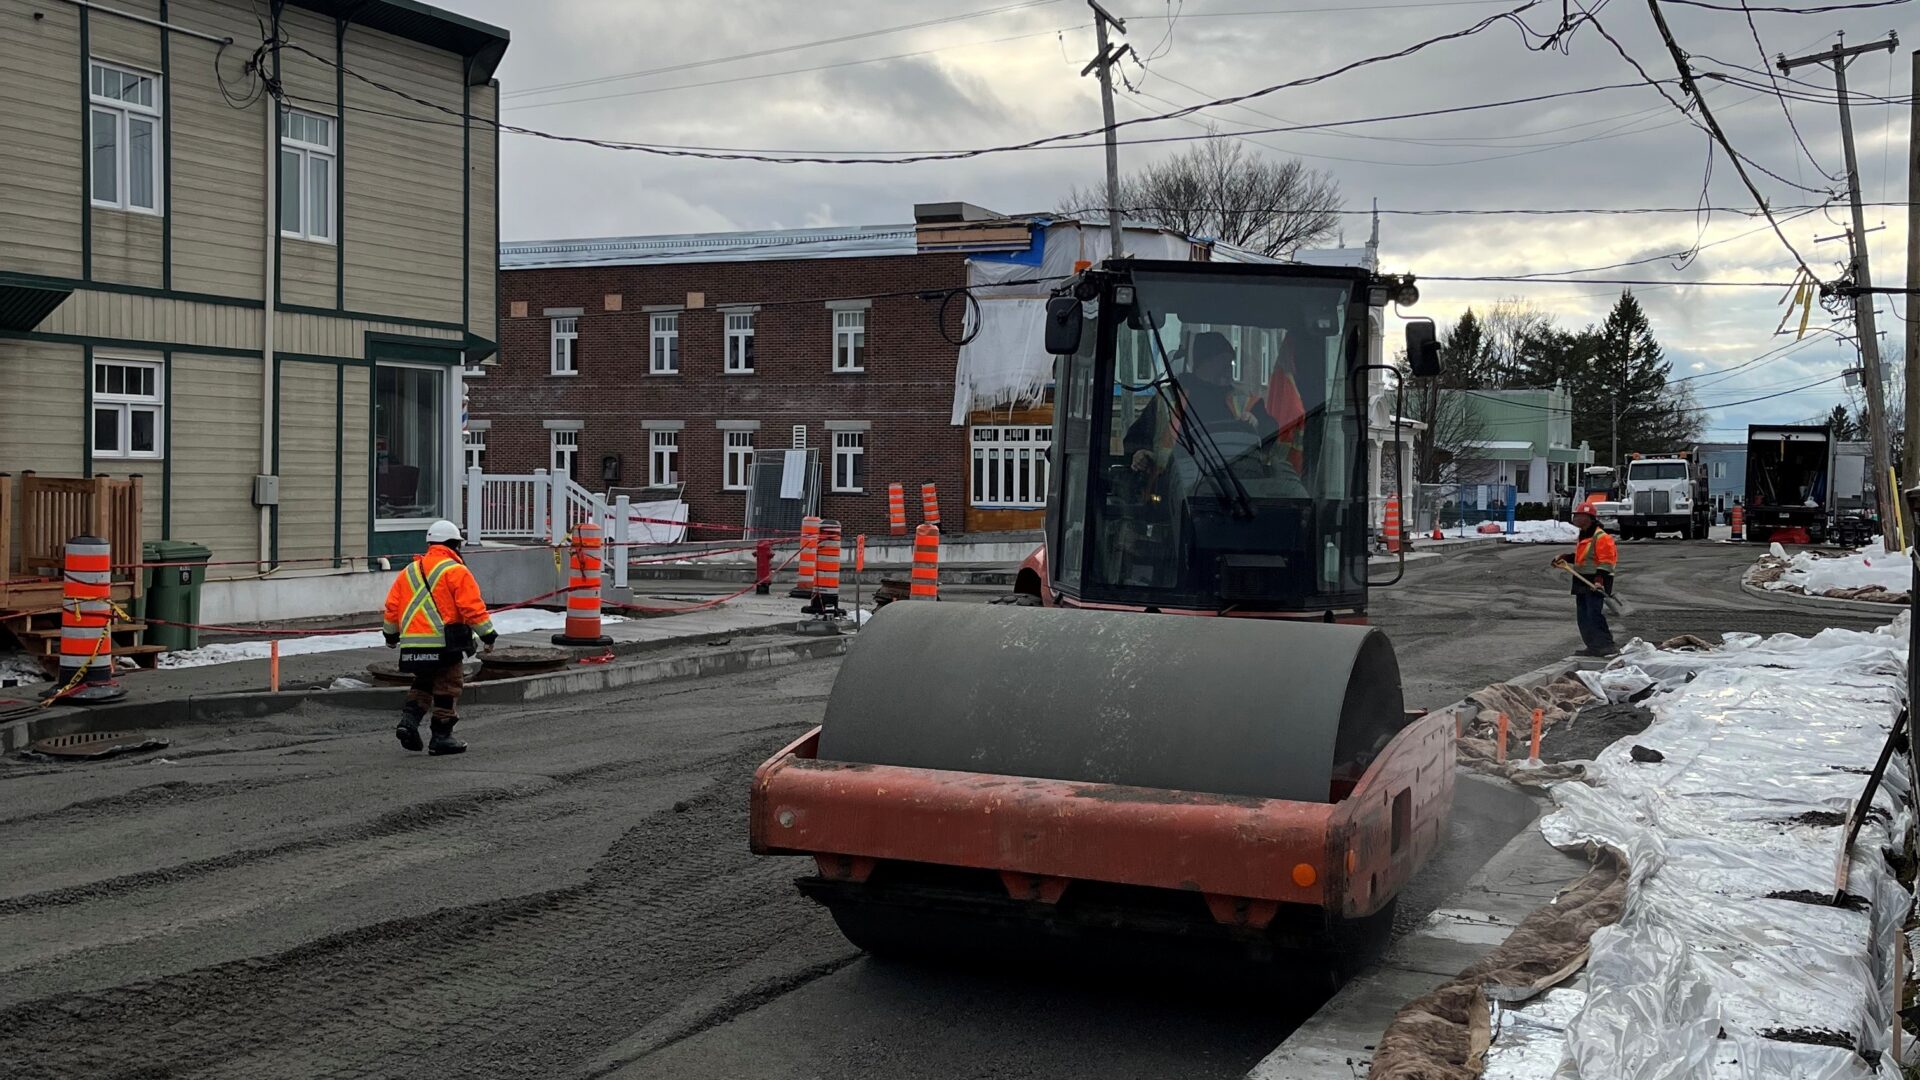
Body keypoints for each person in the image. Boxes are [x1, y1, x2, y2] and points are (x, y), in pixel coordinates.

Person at [383, 519, 498, 755]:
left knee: (423, 683)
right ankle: (441, 737)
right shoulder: (455, 571)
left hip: (414, 642)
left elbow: (392, 608)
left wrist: (391, 636)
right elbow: (472, 608)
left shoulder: (409, 571)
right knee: (448, 686)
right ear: (454, 544)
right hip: (444, 642)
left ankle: (408, 722)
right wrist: (488, 634)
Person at [1124, 331, 1279, 480]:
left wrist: (1256, 423)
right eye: (1225, 362)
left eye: (1231, 362)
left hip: (1236, 489)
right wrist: (1140, 453)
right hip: (1174, 490)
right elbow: (1135, 439)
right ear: (1206, 361)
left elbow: (1273, 433)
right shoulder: (1169, 397)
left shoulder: (1245, 401)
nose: (1230, 368)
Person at [1552, 505, 1617, 657]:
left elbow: (1606, 561)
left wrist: (1599, 580)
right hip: (1582, 579)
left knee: (1594, 615)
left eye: (1579, 516)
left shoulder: (1601, 537)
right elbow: (1584, 558)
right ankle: (1593, 646)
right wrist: (1565, 557)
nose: (1575, 518)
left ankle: (1606, 645)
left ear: (1588, 518)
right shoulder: (1585, 534)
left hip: (1596, 581)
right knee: (1583, 617)